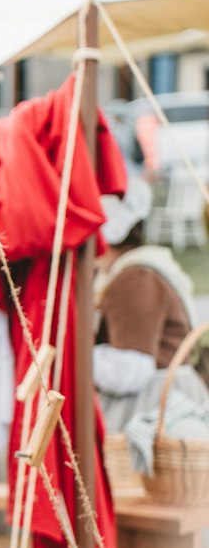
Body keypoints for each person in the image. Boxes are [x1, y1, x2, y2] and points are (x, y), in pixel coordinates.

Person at [95, 175, 208, 430]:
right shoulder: (122, 272)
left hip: (154, 408)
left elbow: (132, 368)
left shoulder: (136, 278)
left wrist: (78, 357)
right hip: (151, 400)